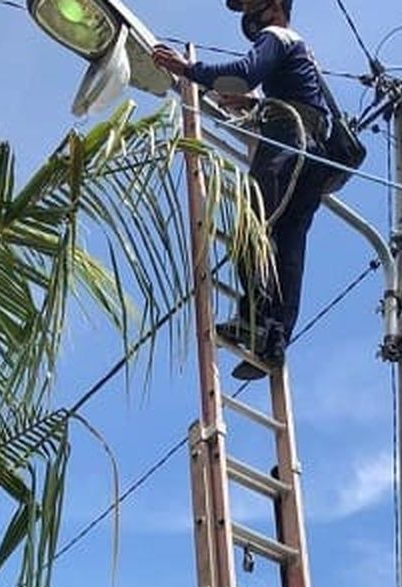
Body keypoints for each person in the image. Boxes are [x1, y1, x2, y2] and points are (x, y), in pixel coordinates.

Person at [154, 0, 330, 379]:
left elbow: (245, 72)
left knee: (252, 225)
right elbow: (300, 95)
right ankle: (274, 337)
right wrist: (255, 103)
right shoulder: (301, 51)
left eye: (251, 3)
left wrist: (188, 69)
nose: (248, 12)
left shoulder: (277, 36)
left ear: (275, 6)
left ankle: (257, 320)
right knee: (287, 241)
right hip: (312, 152)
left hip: (290, 139)